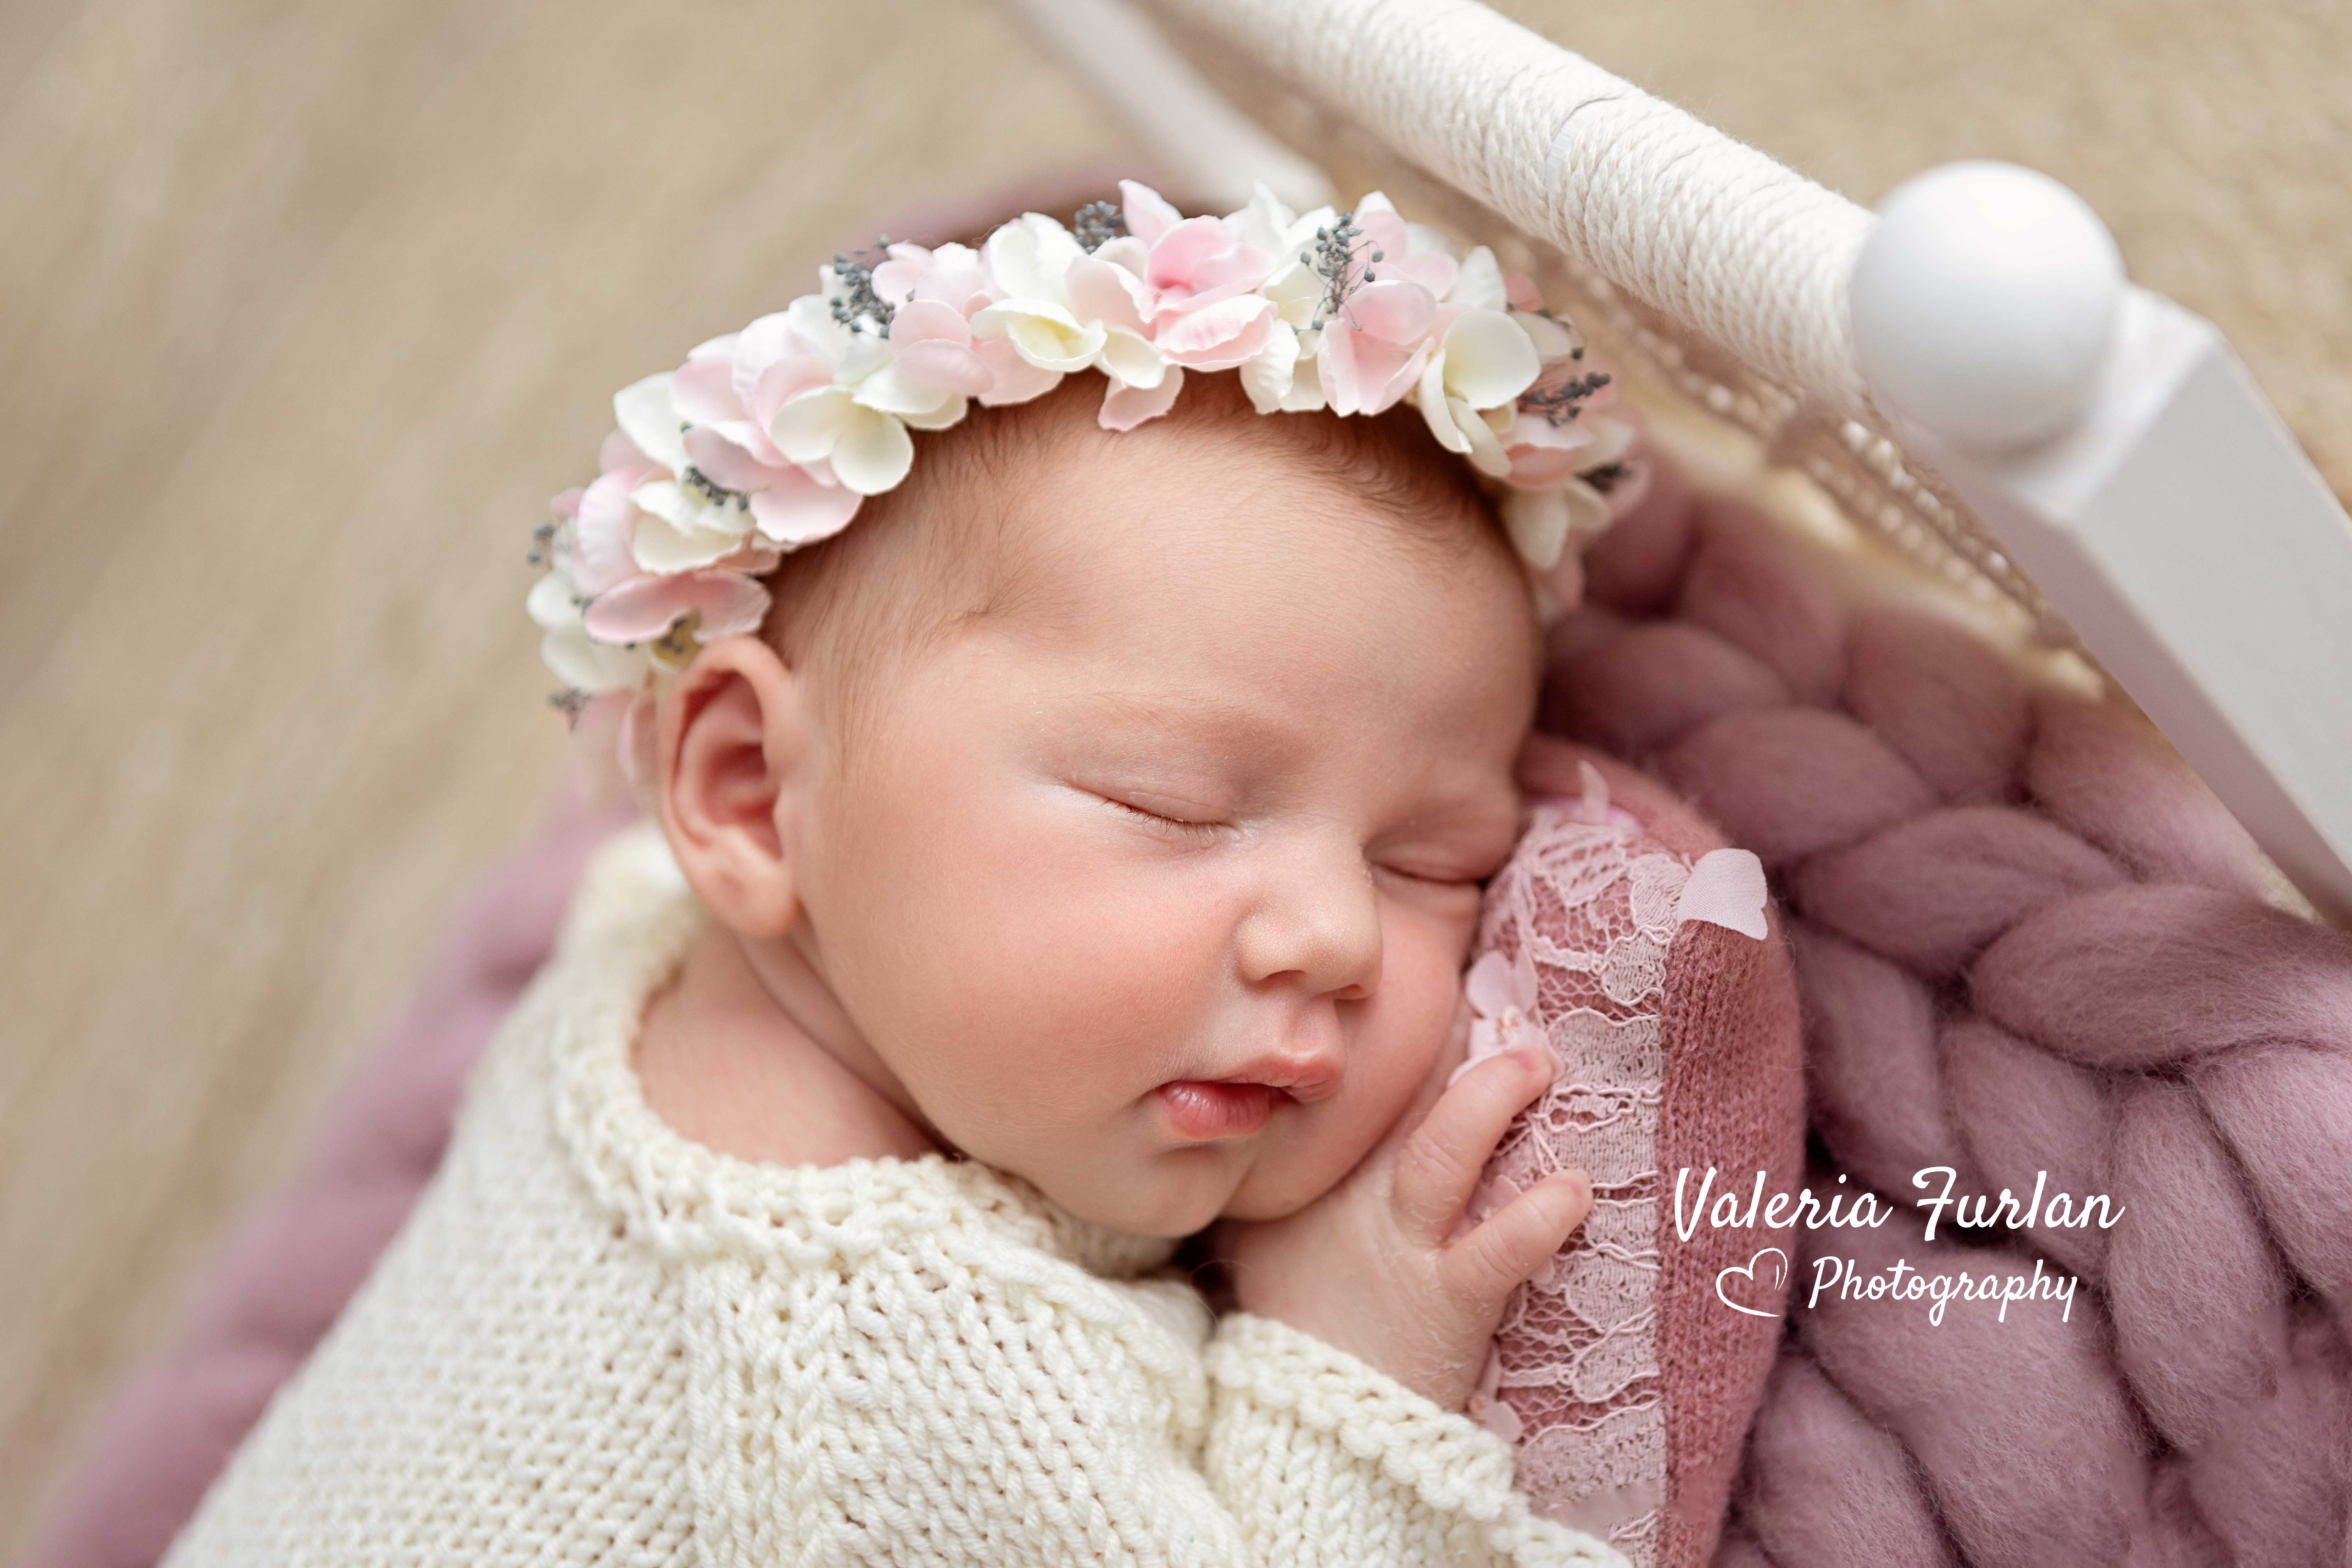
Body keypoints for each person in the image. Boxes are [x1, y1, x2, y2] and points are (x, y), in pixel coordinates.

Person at [162, 181, 1643, 1567]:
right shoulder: (896, 1357)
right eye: (1174, 805)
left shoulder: (651, 946)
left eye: (1428, 861)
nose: (1331, 936)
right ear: (744, 789)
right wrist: (1348, 1374)